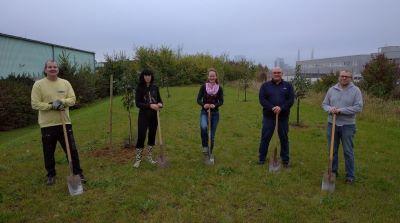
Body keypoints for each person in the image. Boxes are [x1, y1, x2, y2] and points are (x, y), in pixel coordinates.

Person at [31, 60, 85, 185]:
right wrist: (51, 106)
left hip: (65, 123)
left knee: (72, 150)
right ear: (45, 70)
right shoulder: (38, 85)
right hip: (47, 124)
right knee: (48, 151)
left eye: (55, 67)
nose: (52, 69)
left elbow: (72, 99)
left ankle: (77, 173)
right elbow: (35, 104)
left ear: (58, 69)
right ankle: (51, 174)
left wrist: (61, 101)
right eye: (49, 67)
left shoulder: (65, 83)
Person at [322, 70, 363, 184]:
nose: (344, 78)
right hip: (332, 124)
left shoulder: (356, 91)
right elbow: (324, 104)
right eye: (342, 76)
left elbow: (358, 107)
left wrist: (341, 111)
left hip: (348, 125)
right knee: (332, 150)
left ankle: (350, 176)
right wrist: (330, 109)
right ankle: (333, 172)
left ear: (351, 78)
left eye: (346, 76)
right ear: (339, 77)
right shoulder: (332, 89)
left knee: (348, 151)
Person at [258, 67, 294, 167]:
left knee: (284, 138)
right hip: (268, 117)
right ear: (271, 74)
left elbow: (291, 100)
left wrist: (281, 108)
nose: (277, 74)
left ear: (282, 74)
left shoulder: (288, 86)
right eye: (275, 72)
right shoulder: (265, 86)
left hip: (283, 117)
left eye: (278, 72)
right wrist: (272, 107)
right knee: (265, 137)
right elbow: (262, 99)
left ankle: (285, 160)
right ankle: (262, 158)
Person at [133, 69, 163, 168]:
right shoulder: (139, 88)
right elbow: (138, 103)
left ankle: (149, 157)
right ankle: (138, 159)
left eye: (149, 75)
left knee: (152, 136)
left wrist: (160, 104)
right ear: (143, 76)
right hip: (143, 116)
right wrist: (150, 106)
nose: (147, 77)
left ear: (151, 76)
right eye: (145, 75)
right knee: (141, 136)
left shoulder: (155, 87)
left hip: (154, 116)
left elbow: (159, 100)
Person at [196, 68, 224, 163]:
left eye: (213, 76)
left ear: (216, 77)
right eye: (210, 75)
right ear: (208, 77)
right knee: (203, 127)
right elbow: (198, 99)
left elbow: (221, 101)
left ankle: (210, 154)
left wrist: (214, 105)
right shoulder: (203, 87)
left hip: (215, 114)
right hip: (204, 112)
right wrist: (204, 104)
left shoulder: (219, 88)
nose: (212, 77)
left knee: (211, 135)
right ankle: (204, 146)